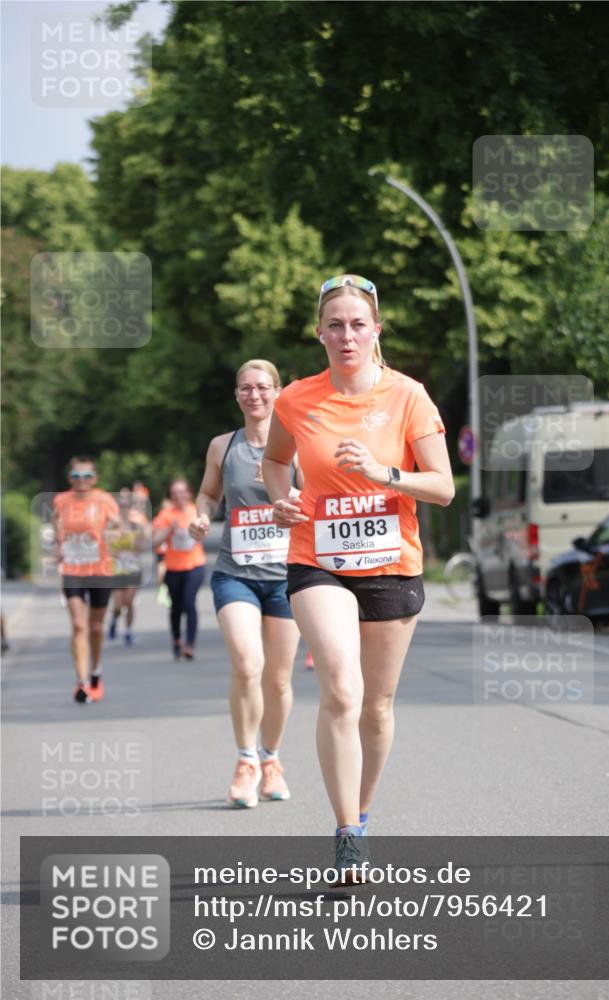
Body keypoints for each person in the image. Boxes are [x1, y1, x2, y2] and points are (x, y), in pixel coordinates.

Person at [263, 274, 455, 880]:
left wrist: (383, 472)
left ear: (376, 330)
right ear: (319, 332)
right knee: (342, 691)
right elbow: (275, 460)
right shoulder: (296, 398)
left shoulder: (409, 396)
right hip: (316, 559)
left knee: (376, 707)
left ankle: (363, 814)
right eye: (335, 325)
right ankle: (346, 833)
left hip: (391, 564)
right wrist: (281, 498)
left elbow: (443, 487)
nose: (346, 335)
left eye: (357, 324)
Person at [189, 359, 301, 808]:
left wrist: (287, 496)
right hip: (235, 572)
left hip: (287, 576)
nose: (254, 395)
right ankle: (246, 760)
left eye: (262, 387)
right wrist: (201, 516)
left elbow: (317, 497)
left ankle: (271, 758)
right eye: (246, 388)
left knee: (278, 680)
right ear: (237, 395)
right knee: (248, 664)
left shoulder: (297, 444)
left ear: (278, 392)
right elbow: (208, 494)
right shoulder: (223, 445)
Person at [53, 456, 121, 703]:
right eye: (76, 476)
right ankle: (81, 682)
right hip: (72, 569)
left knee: (95, 627)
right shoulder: (61, 500)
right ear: (69, 478)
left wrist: (116, 529)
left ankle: (95, 672)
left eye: (87, 476)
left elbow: (118, 527)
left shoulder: (104, 500)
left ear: (95, 478)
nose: (81, 481)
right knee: (79, 625)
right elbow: (58, 528)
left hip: (100, 569)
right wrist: (58, 547)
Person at [152, 479, 206, 659]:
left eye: (182, 492)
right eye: (175, 493)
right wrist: (169, 529)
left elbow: (204, 534)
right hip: (173, 567)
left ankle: (189, 645)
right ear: (171, 496)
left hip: (195, 565)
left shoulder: (196, 511)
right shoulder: (165, 515)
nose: (179, 496)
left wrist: (200, 530)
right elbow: (155, 542)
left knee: (190, 603)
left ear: (189, 493)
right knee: (176, 607)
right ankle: (176, 640)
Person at [107, 487, 149, 646]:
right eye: (121, 506)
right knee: (118, 605)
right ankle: (113, 620)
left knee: (129, 602)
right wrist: (116, 544)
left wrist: (136, 542)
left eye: (127, 506)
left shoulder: (136, 526)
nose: (124, 509)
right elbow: (106, 548)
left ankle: (128, 632)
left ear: (131, 508)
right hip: (116, 568)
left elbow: (143, 547)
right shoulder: (112, 526)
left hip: (133, 568)